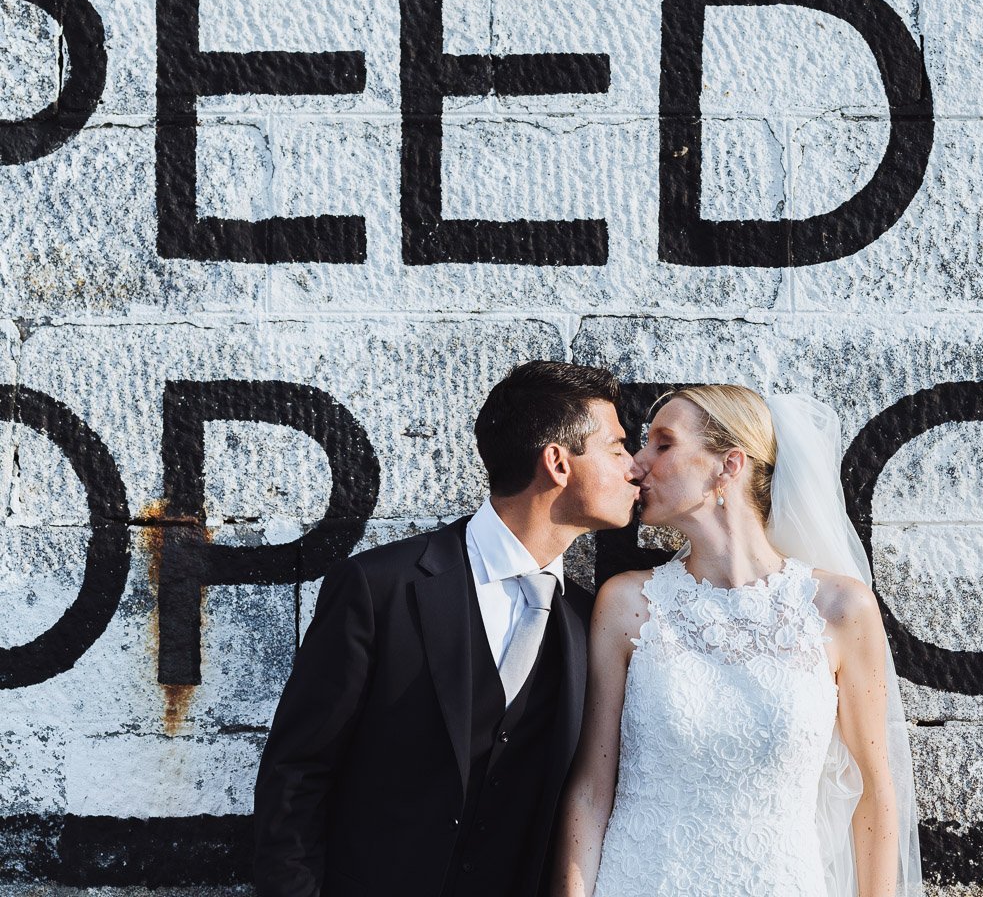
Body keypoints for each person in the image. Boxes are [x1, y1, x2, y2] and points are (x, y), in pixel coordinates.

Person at [253, 361, 640, 897]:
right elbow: (295, 775)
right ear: (558, 462)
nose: (634, 468)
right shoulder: (379, 588)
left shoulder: (586, 617)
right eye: (617, 448)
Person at [554, 385, 924, 897]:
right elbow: (591, 792)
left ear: (729, 465)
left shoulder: (841, 609)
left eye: (663, 444)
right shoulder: (627, 604)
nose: (636, 466)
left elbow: (875, 793)